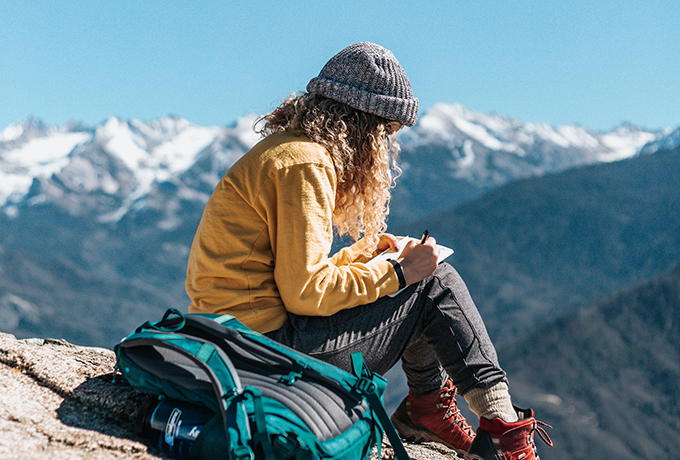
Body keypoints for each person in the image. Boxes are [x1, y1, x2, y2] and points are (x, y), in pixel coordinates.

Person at [185, 42, 551, 460]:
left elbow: (288, 275)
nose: (385, 149)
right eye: (387, 134)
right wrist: (399, 274)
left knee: (418, 278)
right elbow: (305, 292)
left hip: (236, 341)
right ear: (365, 126)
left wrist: (367, 255)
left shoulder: (286, 151)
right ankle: (502, 431)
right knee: (434, 283)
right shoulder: (306, 164)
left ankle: (429, 408)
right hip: (264, 356)